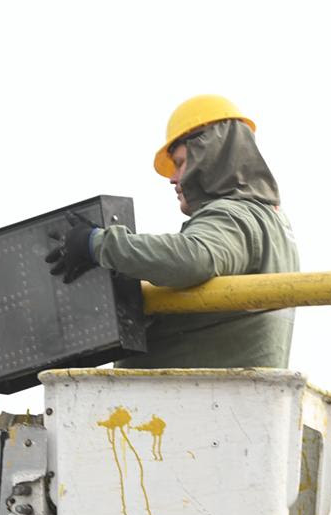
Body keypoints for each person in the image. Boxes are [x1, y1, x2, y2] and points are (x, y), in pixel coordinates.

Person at [45, 95, 299, 368]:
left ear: (212, 154)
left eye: (180, 163)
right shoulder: (266, 221)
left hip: (190, 402)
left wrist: (96, 243)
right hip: (202, 399)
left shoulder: (233, 217)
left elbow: (193, 258)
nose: (173, 179)